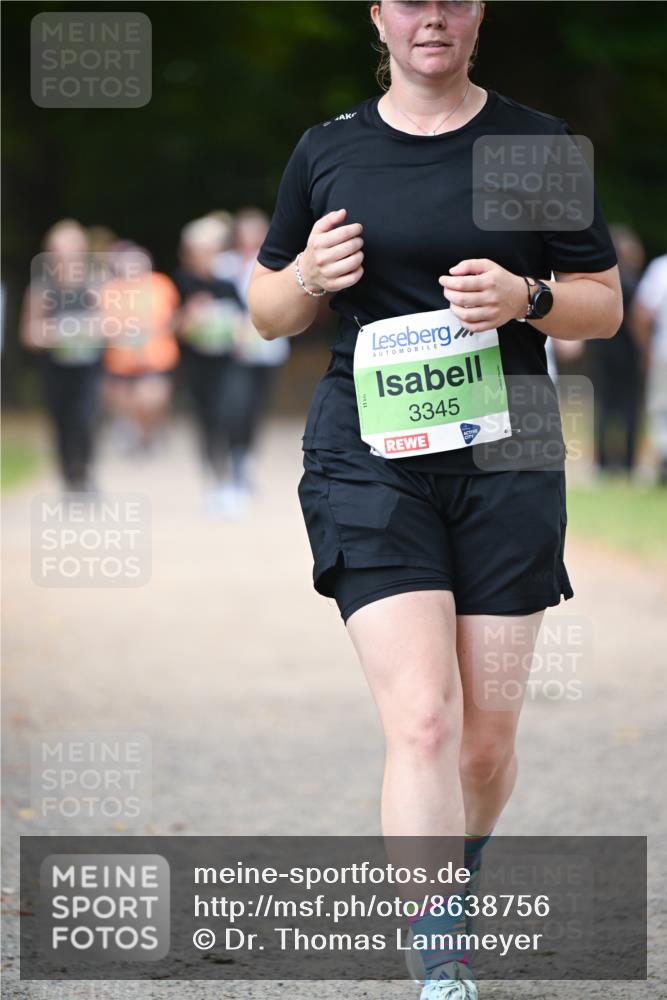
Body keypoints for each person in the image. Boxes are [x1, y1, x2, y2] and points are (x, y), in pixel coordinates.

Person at [248, 3, 622, 997]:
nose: (433, 17)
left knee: (485, 740)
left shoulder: (534, 144)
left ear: (477, 14)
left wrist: (525, 297)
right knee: (421, 719)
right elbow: (265, 308)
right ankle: (438, 950)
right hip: (368, 453)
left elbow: (603, 300)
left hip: (509, 453)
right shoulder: (328, 150)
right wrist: (306, 278)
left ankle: (454, 869)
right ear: (379, 14)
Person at [20, 220, 103, 492]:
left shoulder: (95, 285)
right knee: (61, 421)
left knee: (85, 419)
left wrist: (88, 331)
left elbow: (111, 324)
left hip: (88, 367)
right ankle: (69, 475)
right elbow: (28, 333)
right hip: (54, 368)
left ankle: (85, 470)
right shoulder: (41, 290)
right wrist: (52, 334)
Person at [213, 208, 290, 499]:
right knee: (236, 406)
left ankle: (245, 458)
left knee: (256, 408)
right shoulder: (224, 265)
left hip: (267, 350)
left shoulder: (277, 264)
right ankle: (232, 457)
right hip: (234, 351)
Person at [172, 216, 244, 515]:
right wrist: (191, 317)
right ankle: (214, 482)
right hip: (195, 366)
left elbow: (244, 323)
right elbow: (172, 324)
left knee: (229, 416)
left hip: (226, 364)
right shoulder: (181, 283)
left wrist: (233, 330)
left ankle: (232, 478)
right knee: (206, 423)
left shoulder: (226, 285)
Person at [102, 243, 180, 454]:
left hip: (155, 358)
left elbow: (172, 318)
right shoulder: (111, 289)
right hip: (120, 361)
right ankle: (134, 433)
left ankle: (150, 431)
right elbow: (103, 322)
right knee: (124, 403)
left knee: (149, 398)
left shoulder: (160, 285)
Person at [587, 225, 645, 476]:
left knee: (604, 406)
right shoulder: (635, 283)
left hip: (603, 351)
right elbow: (641, 320)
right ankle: (629, 463)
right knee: (631, 406)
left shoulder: (604, 285)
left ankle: (601, 462)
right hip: (629, 354)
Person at [630, 252, 667, 484]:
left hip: (664, 349)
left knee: (661, 408)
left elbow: (643, 312)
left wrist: (646, 348)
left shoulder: (661, 267)